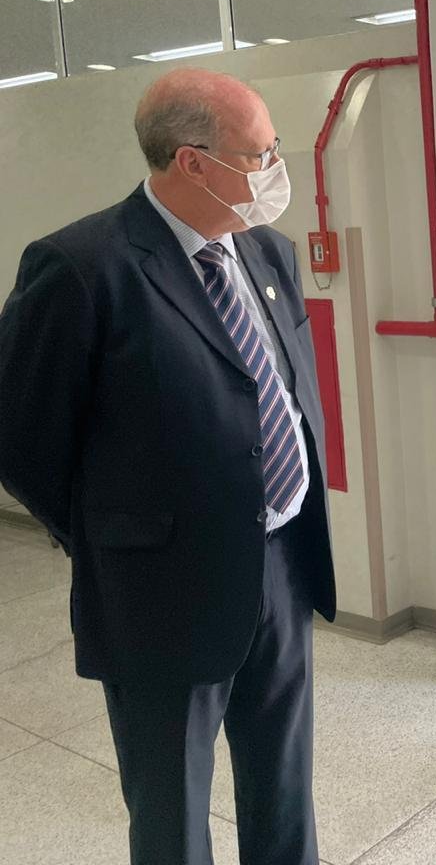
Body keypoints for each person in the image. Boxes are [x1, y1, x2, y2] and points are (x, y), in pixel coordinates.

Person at [0, 67, 337, 865]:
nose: (275, 169)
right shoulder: (83, 267)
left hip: (282, 566)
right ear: (192, 162)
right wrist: (118, 539)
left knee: (283, 785)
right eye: (260, 155)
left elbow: (282, 388)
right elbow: (20, 437)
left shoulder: (267, 253)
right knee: (173, 810)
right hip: (160, 593)